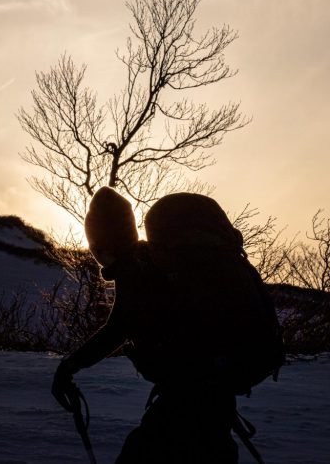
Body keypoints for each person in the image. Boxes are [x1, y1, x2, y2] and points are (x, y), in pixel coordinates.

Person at [51, 186, 240, 463]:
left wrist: (69, 367)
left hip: (188, 397)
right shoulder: (155, 262)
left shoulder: (135, 270)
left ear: (102, 244)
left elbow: (118, 328)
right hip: (212, 389)